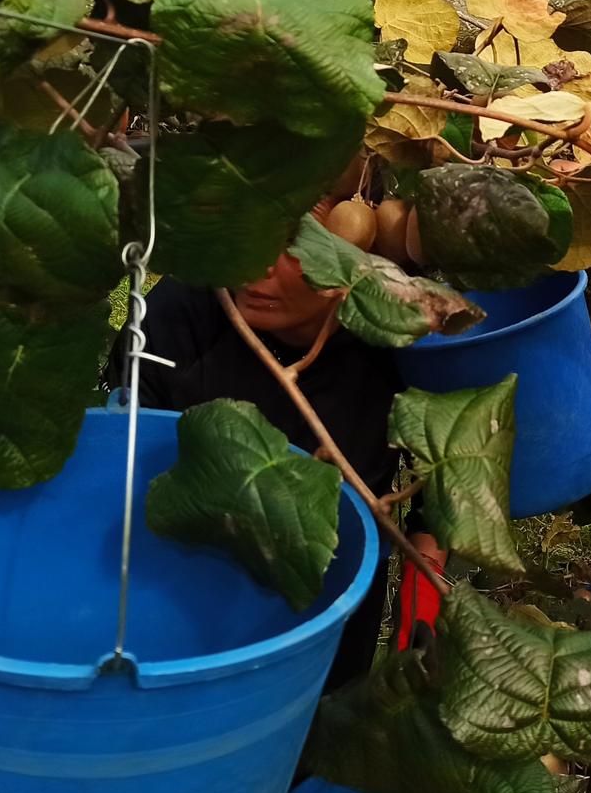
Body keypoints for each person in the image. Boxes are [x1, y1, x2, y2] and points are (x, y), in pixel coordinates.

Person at [109, 209, 405, 691]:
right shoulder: (179, 317)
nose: (258, 265)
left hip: (332, 607)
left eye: (295, 245)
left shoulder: (399, 330)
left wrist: (431, 544)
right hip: (184, 597)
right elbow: (123, 461)